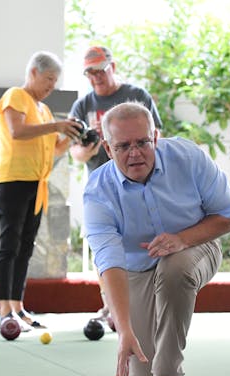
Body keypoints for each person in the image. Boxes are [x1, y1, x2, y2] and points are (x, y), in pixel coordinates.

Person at [83, 102, 230, 376]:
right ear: (106, 146)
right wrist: (124, 329)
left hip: (195, 247)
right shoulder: (98, 191)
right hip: (136, 268)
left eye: (142, 142)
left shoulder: (189, 158)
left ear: (155, 136)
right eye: (123, 146)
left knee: (174, 270)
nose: (135, 153)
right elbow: (109, 262)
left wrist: (182, 239)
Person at [70, 46, 163, 329]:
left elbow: (157, 136)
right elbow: (74, 152)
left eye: (100, 70)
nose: (95, 77)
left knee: (142, 244)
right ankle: (111, 306)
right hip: (103, 190)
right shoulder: (83, 105)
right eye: (89, 73)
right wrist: (89, 150)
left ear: (113, 66)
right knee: (105, 248)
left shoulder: (137, 96)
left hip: (140, 186)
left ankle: (145, 303)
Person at [0, 51, 82, 330]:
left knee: (25, 247)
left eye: (55, 82)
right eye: (48, 80)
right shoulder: (15, 96)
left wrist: (71, 137)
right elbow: (17, 131)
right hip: (14, 181)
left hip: (36, 184)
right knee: (9, 244)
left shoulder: (42, 109)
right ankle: (4, 310)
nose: (50, 87)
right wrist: (57, 125)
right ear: (33, 72)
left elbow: (54, 148)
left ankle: (18, 308)